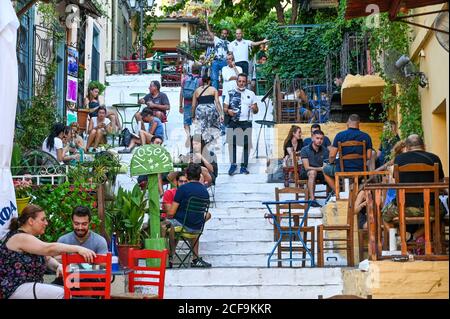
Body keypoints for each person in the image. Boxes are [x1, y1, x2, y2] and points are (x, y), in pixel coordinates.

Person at [0, 205, 96, 299]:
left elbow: (47, 258)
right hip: (15, 289)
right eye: (43, 219)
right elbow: (49, 249)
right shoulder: (19, 237)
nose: (46, 223)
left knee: (66, 291)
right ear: (31, 221)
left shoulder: (30, 239)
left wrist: (58, 266)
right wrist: (79, 249)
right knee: (62, 294)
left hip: (27, 287)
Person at [382, 135, 445, 240]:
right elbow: (441, 182)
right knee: (441, 214)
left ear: (406, 147)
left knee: (384, 216)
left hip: (403, 207)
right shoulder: (434, 158)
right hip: (431, 207)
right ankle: (414, 237)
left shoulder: (399, 159)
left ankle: (400, 237)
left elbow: (395, 181)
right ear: (423, 146)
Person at [167, 163, 212, 268]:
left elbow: (171, 213)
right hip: (197, 228)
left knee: (165, 225)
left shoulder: (183, 189)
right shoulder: (205, 191)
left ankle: (169, 258)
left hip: (183, 226)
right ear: (199, 175)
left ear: (186, 175)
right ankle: (195, 259)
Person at [323, 114, 373, 192]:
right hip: (360, 169)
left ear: (347, 123)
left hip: (343, 171)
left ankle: (338, 192)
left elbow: (332, 155)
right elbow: (369, 156)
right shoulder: (366, 136)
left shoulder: (340, 136)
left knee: (325, 170)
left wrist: (331, 162)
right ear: (358, 123)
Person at [224, 73, 258, 175]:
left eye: (243, 81)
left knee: (246, 145)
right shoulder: (230, 93)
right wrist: (228, 111)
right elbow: (225, 108)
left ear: (246, 82)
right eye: (240, 81)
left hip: (246, 122)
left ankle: (244, 166)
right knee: (232, 144)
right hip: (234, 122)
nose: (241, 83)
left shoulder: (251, 94)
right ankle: (233, 165)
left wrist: (254, 108)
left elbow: (256, 110)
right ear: (236, 81)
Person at [192, 75, 223, 145]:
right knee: (211, 128)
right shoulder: (213, 89)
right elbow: (217, 102)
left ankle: (201, 145)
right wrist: (221, 114)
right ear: (209, 81)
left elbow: (193, 105)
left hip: (200, 110)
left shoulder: (197, 90)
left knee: (200, 128)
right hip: (211, 110)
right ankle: (210, 144)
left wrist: (192, 115)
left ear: (202, 81)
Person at [300, 130, 326, 206]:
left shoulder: (325, 150)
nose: (319, 140)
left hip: (320, 172)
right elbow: (307, 167)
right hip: (306, 172)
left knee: (331, 172)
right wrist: (321, 168)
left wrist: (324, 168)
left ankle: (332, 198)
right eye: (317, 138)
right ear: (312, 138)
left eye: (321, 139)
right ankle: (312, 199)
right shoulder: (305, 149)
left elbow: (327, 164)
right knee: (312, 172)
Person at [205, 13, 230, 90]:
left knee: (225, 78)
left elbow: (230, 54)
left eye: (225, 33)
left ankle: (225, 93)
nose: (223, 34)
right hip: (216, 61)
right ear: (221, 34)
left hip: (224, 61)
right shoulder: (216, 39)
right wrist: (206, 23)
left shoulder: (229, 43)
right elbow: (209, 32)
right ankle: (215, 93)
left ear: (227, 35)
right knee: (214, 79)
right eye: (222, 33)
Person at [180, 63, 202, 138]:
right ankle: (197, 137)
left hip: (186, 103)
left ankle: (188, 136)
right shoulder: (200, 80)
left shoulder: (185, 79)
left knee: (186, 123)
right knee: (197, 121)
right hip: (197, 104)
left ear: (191, 69)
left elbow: (181, 93)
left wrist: (180, 105)